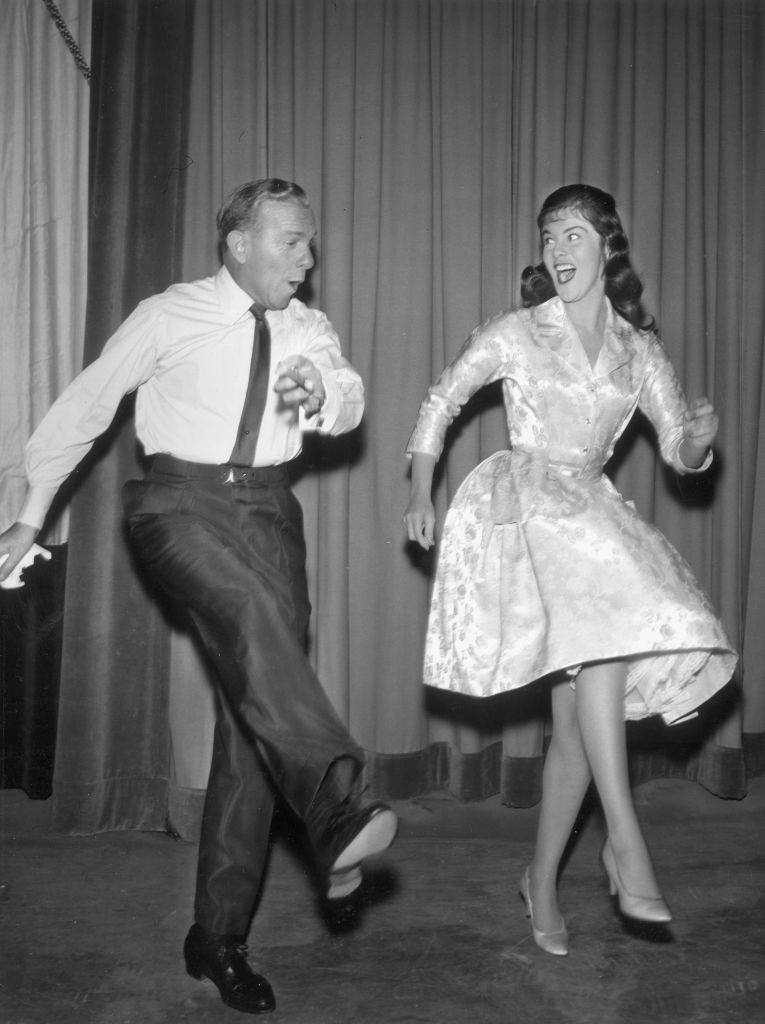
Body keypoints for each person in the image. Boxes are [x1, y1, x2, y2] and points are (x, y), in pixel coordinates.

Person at [0, 178, 397, 1014]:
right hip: (175, 504)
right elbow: (88, 404)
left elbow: (347, 392)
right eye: (291, 240)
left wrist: (321, 395)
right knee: (253, 625)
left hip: (268, 514)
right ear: (239, 243)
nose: (306, 258)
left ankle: (215, 937)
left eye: (311, 243)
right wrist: (29, 518)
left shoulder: (306, 328)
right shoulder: (168, 313)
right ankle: (332, 798)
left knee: (253, 729)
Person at [403, 184, 737, 957]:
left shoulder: (635, 349)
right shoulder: (517, 332)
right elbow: (440, 402)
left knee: (575, 732)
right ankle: (624, 840)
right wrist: (422, 488)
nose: (557, 250)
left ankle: (540, 880)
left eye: (574, 235)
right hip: (529, 508)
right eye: (548, 236)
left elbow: (682, 452)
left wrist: (697, 439)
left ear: (607, 247)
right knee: (607, 651)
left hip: (589, 508)